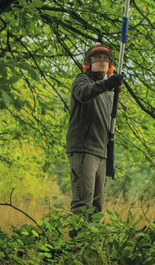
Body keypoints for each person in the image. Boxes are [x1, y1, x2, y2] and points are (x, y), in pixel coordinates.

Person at [65, 43, 124, 237]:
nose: (101, 61)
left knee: (97, 206)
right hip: (84, 150)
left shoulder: (108, 93)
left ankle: (90, 247)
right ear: (88, 63)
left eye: (106, 59)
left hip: (101, 154)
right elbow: (84, 94)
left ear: (111, 66)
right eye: (96, 58)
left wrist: (110, 159)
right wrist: (108, 84)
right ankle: (74, 250)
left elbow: (109, 128)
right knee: (83, 203)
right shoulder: (82, 80)